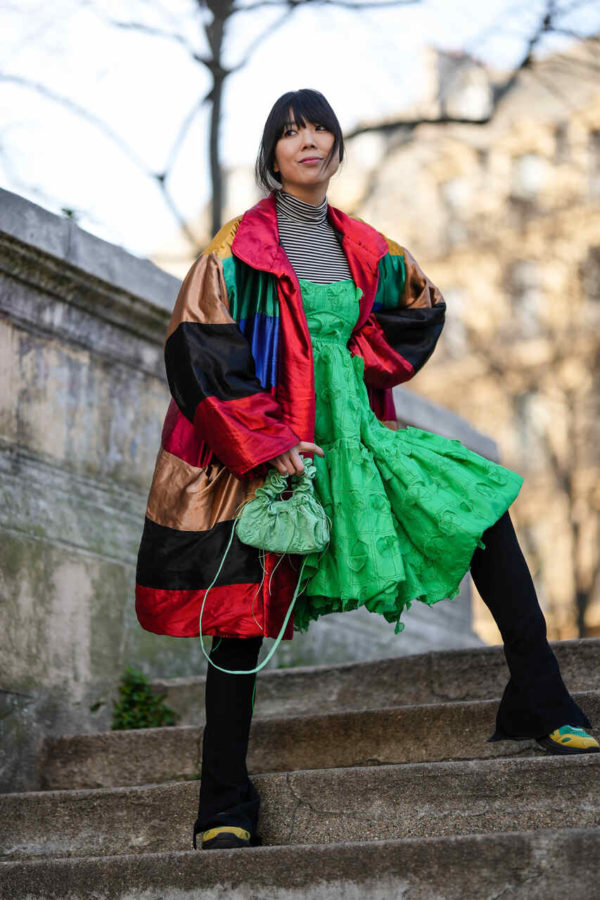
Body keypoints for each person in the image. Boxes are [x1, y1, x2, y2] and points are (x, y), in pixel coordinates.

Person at [135, 88, 598, 852]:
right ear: (272, 155)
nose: (308, 140)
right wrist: (267, 442)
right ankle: (223, 799)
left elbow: (423, 306)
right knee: (240, 613)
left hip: (357, 436)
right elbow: (199, 349)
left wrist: (355, 363)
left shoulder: (369, 245)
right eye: (291, 132)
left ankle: (540, 694)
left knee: (477, 506)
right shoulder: (235, 248)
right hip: (267, 447)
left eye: (319, 127)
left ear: (337, 145)